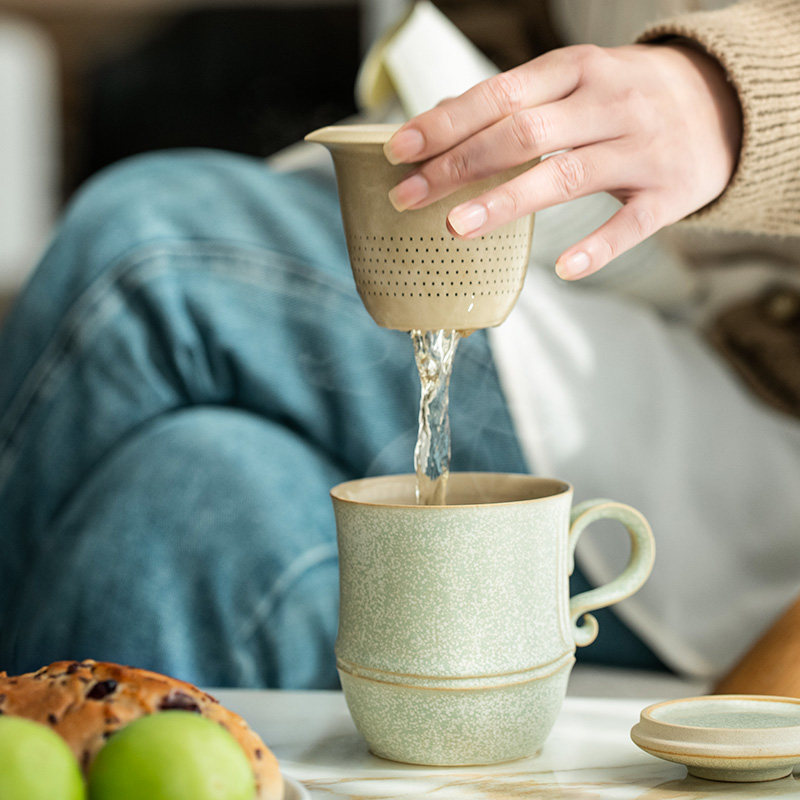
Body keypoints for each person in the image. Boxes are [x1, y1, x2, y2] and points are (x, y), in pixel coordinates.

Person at [0, 0, 798, 688]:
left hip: (750, 409)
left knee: (142, 256)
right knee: (186, 495)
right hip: (597, 280)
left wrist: (733, 97)